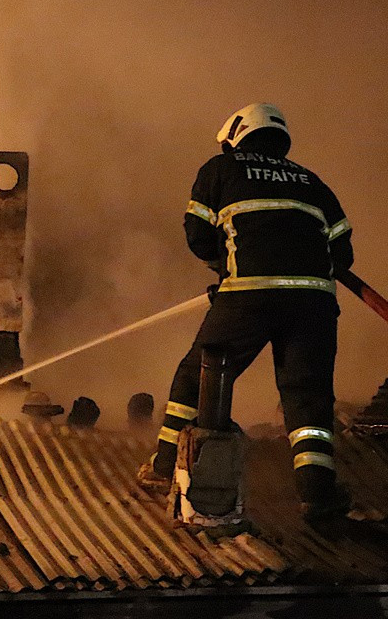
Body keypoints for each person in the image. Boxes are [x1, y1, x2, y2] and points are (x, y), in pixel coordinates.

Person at [138, 103, 354, 521]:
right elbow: (342, 253)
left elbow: (198, 235)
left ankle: (164, 467)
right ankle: (317, 494)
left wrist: (228, 269)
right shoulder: (312, 181)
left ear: (236, 135)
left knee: (199, 374)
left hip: (248, 296)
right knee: (308, 400)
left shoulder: (221, 168)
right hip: (314, 302)